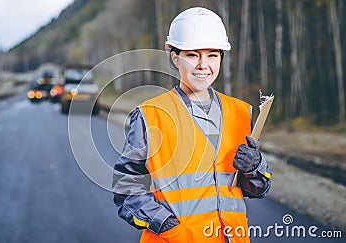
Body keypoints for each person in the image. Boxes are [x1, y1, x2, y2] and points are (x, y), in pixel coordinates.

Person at [112, 7, 272, 243]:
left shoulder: (240, 112)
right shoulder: (151, 115)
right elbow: (126, 185)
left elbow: (256, 190)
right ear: (174, 57)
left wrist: (255, 167)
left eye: (212, 55)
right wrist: (165, 224)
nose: (203, 65)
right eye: (192, 55)